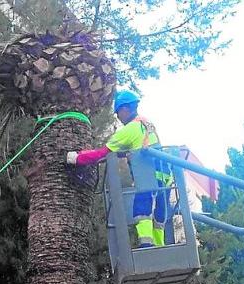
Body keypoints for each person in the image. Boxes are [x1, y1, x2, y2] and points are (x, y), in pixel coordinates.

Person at [66, 90, 172, 248]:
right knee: (159, 213)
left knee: (141, 209)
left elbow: (103, 152)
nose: (118, 117)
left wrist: (77, 158)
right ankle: (160, 246)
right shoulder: (146, 123)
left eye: (117, 113)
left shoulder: (129, 130)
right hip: (165, 175)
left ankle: (146, 245)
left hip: (147, 174)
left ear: (125, 109)